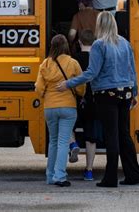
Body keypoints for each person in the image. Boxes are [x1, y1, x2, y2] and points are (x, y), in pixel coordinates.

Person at [57, 11, 139, 188]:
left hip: (106, 94)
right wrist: (134, 93)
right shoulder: (125, 43)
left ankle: (110, 178)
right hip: (125, 92)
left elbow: (92, 73)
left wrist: (69, 83)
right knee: (124, 134)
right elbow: (132, 70)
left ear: (100, 25)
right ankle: (134, 174)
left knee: (111, 136)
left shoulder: (99, 45)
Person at [35, 35, 85, 187]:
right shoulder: (73, 63)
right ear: (65, 46)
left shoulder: (45, 64)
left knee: (53, 142)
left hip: (50, 108)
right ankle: (60, 176)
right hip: (68, 107)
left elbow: (39, 88)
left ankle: (50, 176)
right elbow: (81, 87)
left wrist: (46, 96)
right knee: (64, 142)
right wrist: (78, 93)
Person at [73, 30, 103, 181]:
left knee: (68, 127)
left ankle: (73, 146)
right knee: (91, 137)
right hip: (94, 101)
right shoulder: (97, 58)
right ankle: (89, 170)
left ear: (79, 42)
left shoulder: (74, 59)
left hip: (76, 101)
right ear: (95, 42)